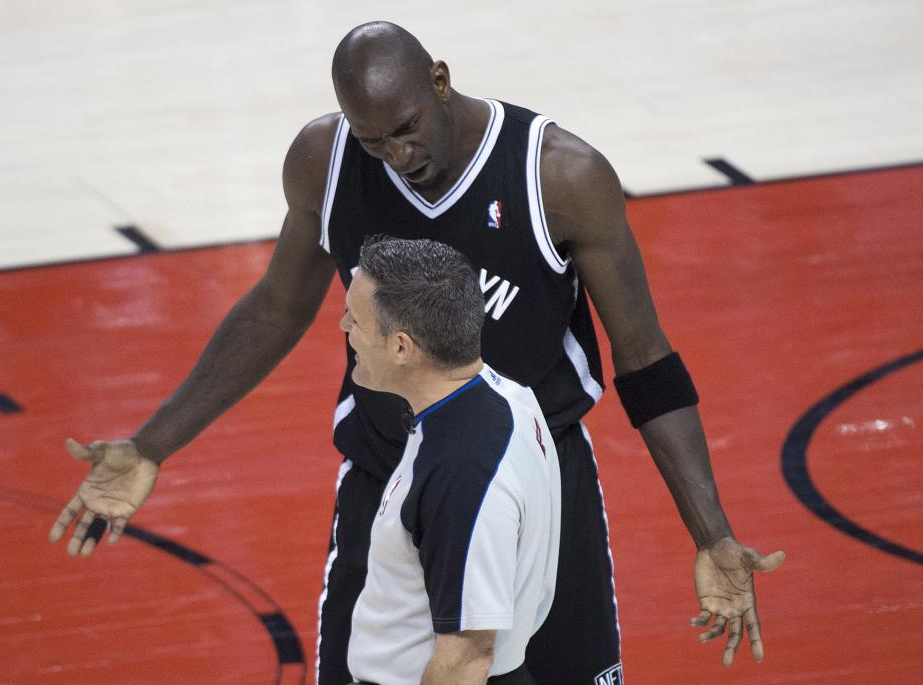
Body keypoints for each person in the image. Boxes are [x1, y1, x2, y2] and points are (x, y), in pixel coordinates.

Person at [48, 20, 785, 685]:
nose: (399, 156)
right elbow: (277, 305)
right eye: (375, 140)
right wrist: (154, 443)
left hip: (530, 479)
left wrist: (712, 532)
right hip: (390, 473)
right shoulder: (324, 162)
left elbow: (647, 361)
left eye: (407, 128)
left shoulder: (559, 176)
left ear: (440, 79)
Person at [340, 236, 559, 685]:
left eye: (356, 320)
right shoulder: (505, 396)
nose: (343, 326)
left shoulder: (462, 473)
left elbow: (466, 657)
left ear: (402, 347)